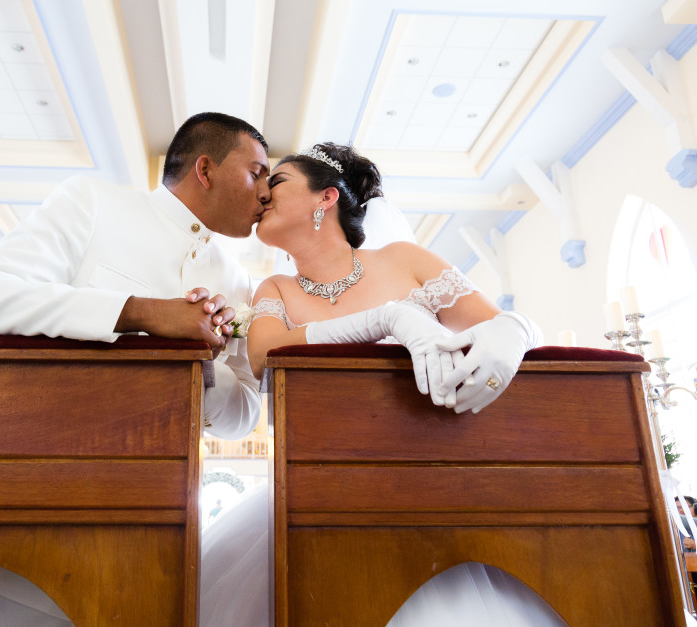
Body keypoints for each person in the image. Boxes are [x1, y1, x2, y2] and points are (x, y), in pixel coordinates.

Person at [199, 143, 558, 626]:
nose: (263, 193)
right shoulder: (276, 290)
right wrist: (385, 319)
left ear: (326, 198)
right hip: (322, 492)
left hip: (433, 483)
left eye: (277, 181)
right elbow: (265, 356)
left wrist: (517, 331)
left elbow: (498, 326)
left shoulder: (404, 260)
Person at [0, 112, 271, 626]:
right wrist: (138, 311)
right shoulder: (92, 204)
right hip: (23, 534)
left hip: (153, 544)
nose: (266, 192)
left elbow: (244, 417)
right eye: (256, 172)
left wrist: (206, 369)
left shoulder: (238, 282)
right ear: (205, 169)